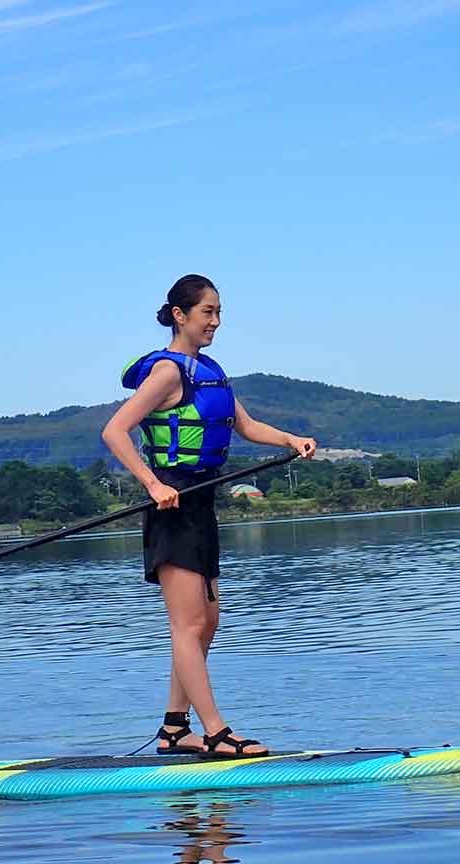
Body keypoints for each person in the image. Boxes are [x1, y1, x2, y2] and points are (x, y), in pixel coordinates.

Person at [102, 274, 316, 758]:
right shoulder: (168, 374)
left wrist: (289, 440)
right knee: (188, 624)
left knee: (209, 621)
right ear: (180, 315)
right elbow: (114, 431)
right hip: (172, 504)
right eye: (207, 313)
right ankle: (216, 731)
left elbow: (245, 425)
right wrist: (153, 484)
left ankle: (175, 729)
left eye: (219, 313)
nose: (215, 322)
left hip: (201, 504)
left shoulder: (210, 371)